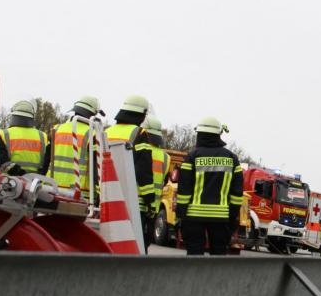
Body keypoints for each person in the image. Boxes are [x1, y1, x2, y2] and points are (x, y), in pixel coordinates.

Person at [176, 116, 243, 255]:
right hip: (221, 218)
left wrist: (181, 214)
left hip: (193, 216)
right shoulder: (232, 158)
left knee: (194, 255)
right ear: (218, 134)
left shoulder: (192, 156)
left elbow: (184, 190)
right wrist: (232, 215)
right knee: (218, 256)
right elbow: (237, 192)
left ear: (200, 134)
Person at [104, 96, 154, 251]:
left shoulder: (106, 132)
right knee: (134, 246)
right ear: (141, 114)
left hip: (106, 199)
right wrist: (149, 200)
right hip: (133, 202)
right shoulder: (139, 133)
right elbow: (143, 170)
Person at [50, 96, 101, 199]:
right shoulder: (93, 134)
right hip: (80, 193)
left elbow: (47, 160)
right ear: (93, 114)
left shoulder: (57, 129)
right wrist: (99, 193)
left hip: (51, 189)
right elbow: (96, 169)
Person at [136, 115, 170, 248]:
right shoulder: (166, 158)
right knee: (145, 243)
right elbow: (164, 181)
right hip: (153, 208)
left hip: (137, 203)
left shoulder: (139, 150)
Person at [0, 100, 49, 176]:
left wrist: (20, 174)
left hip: (10, 183)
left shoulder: (3, 134)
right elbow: (47, 163)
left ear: (14, 116)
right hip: (36, 183)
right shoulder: (43, 136)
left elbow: (2, 162)